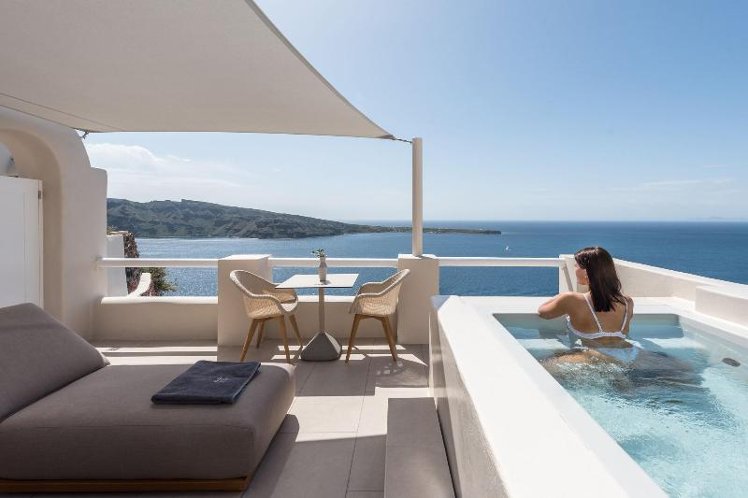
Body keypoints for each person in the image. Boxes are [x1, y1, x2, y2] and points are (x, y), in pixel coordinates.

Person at [537, 246, 637, 366]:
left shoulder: (572, 299)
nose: (574, 269)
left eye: (576, 266)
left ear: (586, 271)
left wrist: (563, 295)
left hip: (595, 358)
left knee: (538, 365)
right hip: (629, 353)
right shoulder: (628, 302)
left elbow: (543, 312)